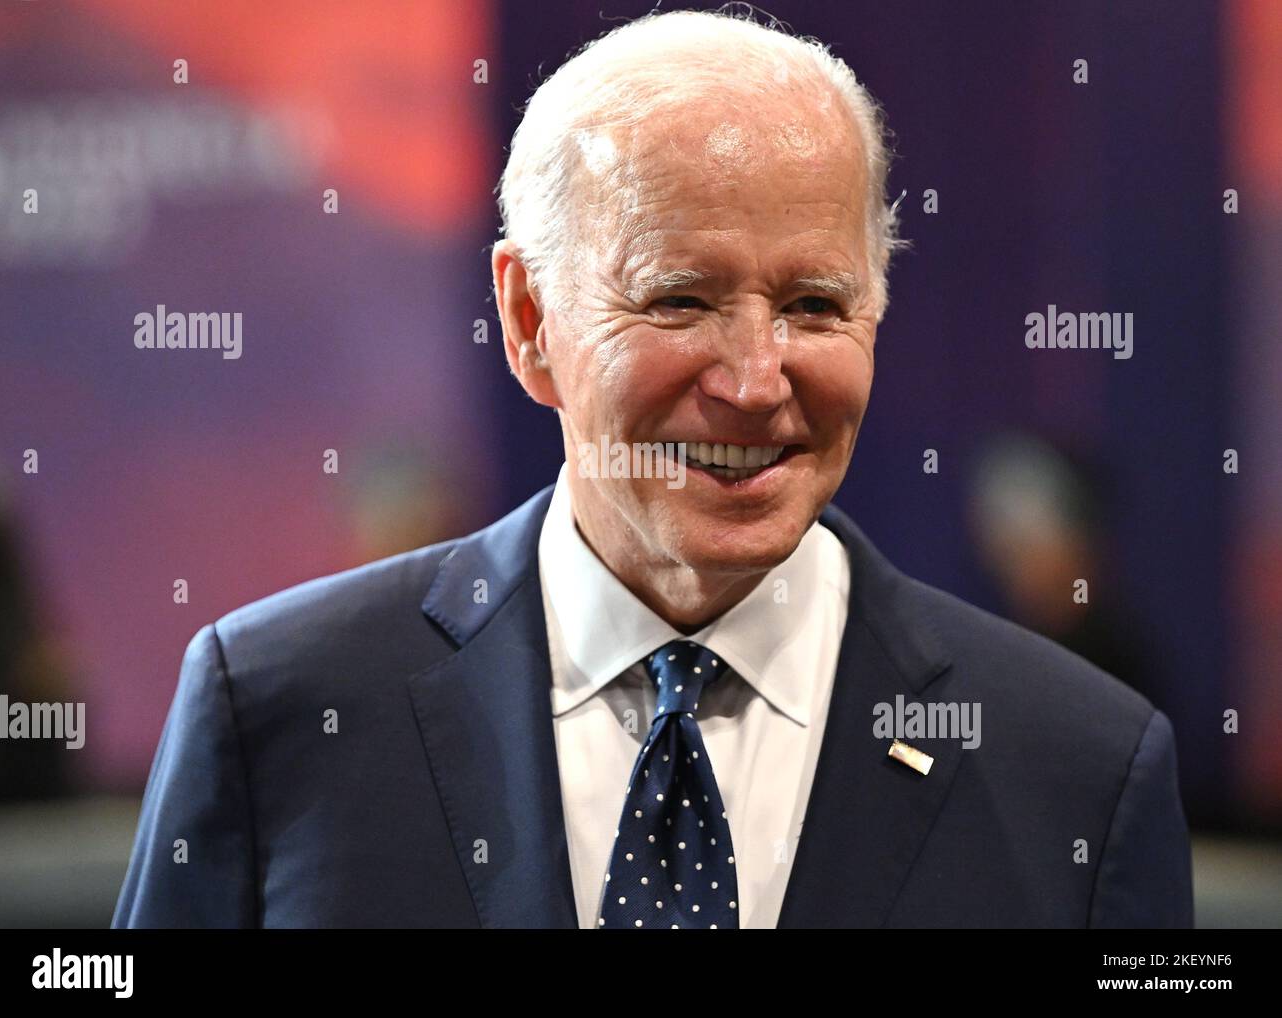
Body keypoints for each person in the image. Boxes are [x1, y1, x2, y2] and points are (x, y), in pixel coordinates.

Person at [112, 9, 1193, 929]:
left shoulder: (1082, 769)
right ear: (531, 320)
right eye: (680, 299)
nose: (756, 380)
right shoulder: (276, 710)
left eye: (814, 305)